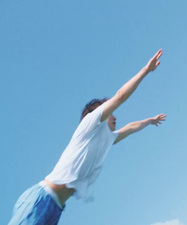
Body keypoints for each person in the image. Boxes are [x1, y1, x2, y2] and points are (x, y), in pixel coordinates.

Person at [8, 49, 166, 225]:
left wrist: (150, 121)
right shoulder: (90, 124)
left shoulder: (107, 139)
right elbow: (120, 96)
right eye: (111, 112)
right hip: (41, 199)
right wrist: (145, 70)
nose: (115, 116)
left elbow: (130, 128)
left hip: (55, 207)